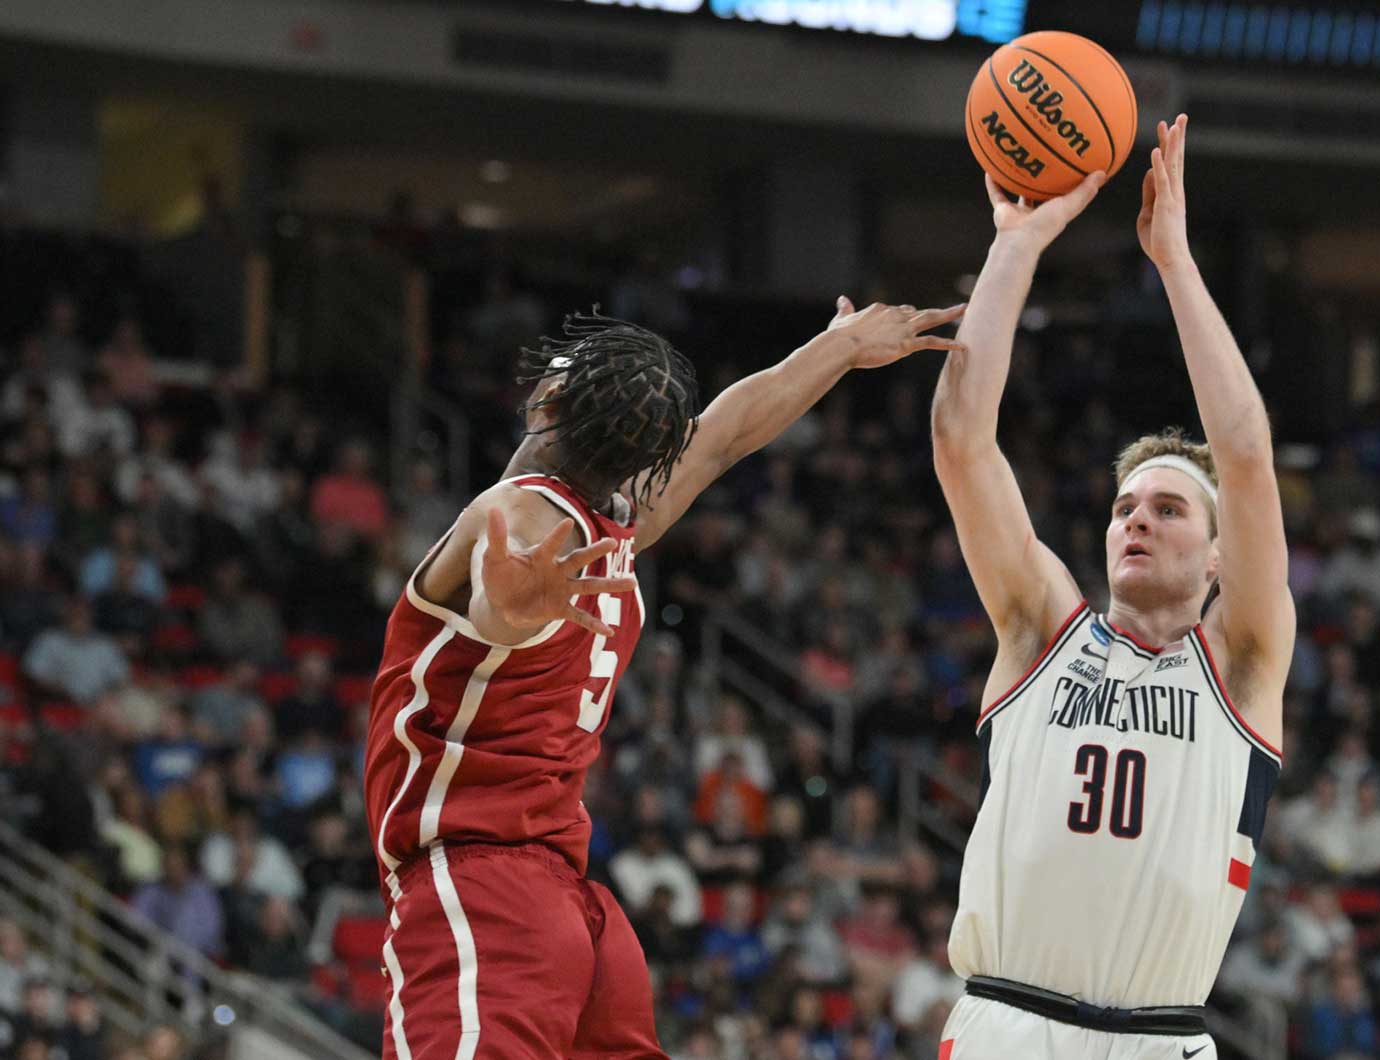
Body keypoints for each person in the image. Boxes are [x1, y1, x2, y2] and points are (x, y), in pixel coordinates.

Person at [364, 300, 964, 1059]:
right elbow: (723, 437)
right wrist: (837, 349)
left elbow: (500, 583)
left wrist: (509, 611)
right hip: (576, 917)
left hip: (481, 887)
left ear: (547, 401)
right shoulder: (619, 527)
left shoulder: (520, 510)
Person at [933, 115, 1290, 1059]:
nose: (1137, 518)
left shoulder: (1243, 667)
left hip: (1159, 1039)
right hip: (1007, 1021)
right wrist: (1016, 245)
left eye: (1169, 509)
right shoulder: (1040, 626)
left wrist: (1173, 261)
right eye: (1127, 504)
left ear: (1219, 557)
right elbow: (962, 439)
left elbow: (1247, 457)